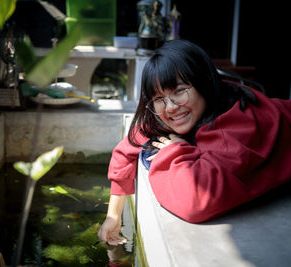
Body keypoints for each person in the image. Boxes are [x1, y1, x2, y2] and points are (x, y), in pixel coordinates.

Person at [98, 39, 291, 245]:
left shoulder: (235, 127)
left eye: (179, 91)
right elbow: (125, 150)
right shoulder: (164, 113)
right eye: (159, 98)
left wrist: (175, 150)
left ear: (203, 83)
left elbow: (196, 201)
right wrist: (113, 215)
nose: (171, 107)